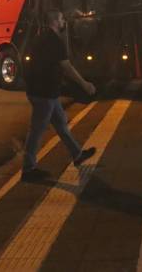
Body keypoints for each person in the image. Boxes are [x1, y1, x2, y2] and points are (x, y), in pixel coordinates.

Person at [21, 10, 96, 182]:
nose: (64, 22)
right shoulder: (55, 41)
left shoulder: (40, 37)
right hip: (44, 93)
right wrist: (85, 85)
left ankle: (77, 155)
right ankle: (28, 169)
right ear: (55, 21)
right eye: (62, 19)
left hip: (45, 92)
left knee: (61, 125)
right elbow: (66, 67)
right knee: (37, 131)